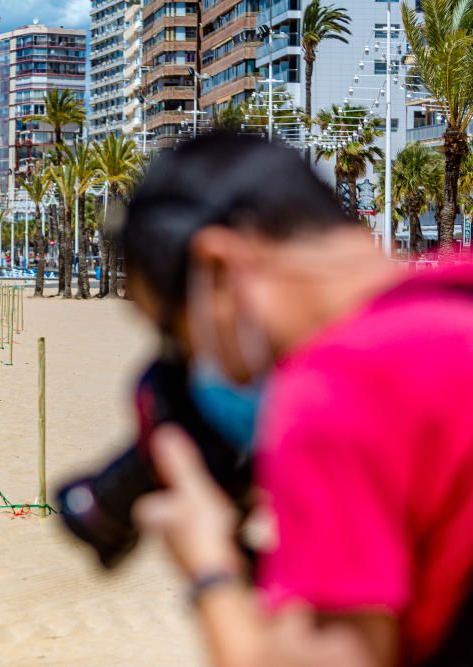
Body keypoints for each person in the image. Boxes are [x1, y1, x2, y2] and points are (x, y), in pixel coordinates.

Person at [117, 133, 473, 666]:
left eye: (175, 332)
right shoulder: (455, 296)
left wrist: (211, 569)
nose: (195, 368)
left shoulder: (338, 389)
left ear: (217, 266)